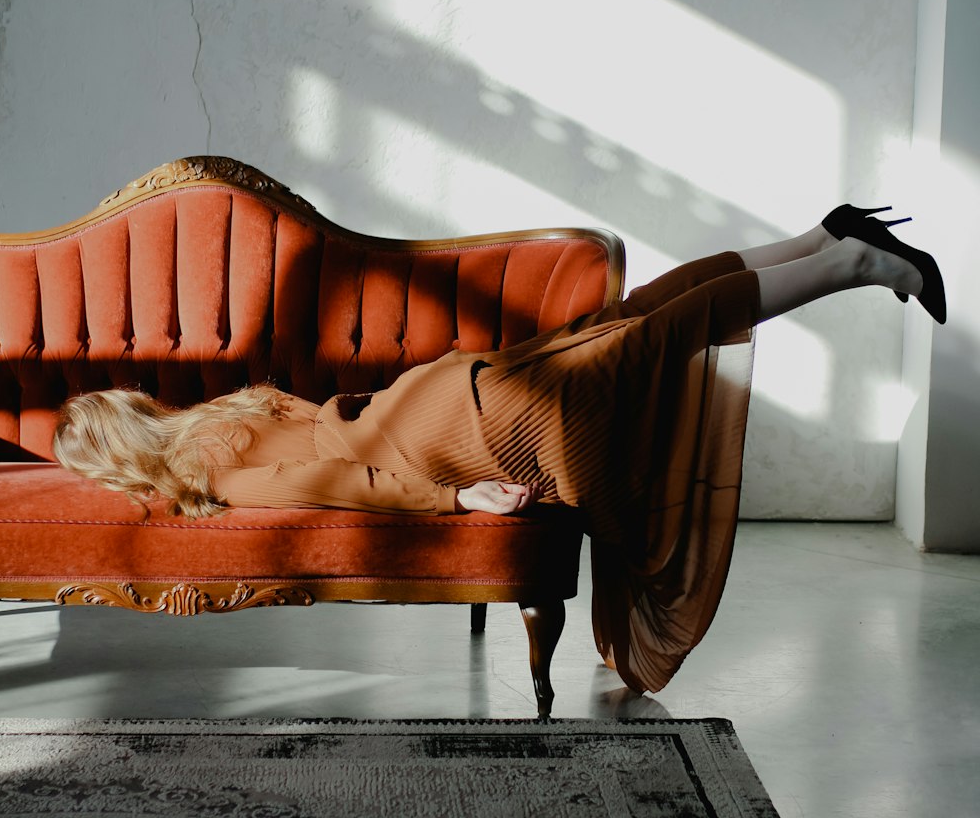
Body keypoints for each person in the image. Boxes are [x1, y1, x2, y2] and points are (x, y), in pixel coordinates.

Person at [52, 204, 944, 695]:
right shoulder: (218, 413)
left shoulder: (201, 471)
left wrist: (452, 501)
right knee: (618, 326)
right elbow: (321, 434)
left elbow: (330, 479)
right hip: (440, 388)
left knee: (639, 349)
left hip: (452, 434)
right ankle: (819, 239)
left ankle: (849, 266)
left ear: (113, 463)